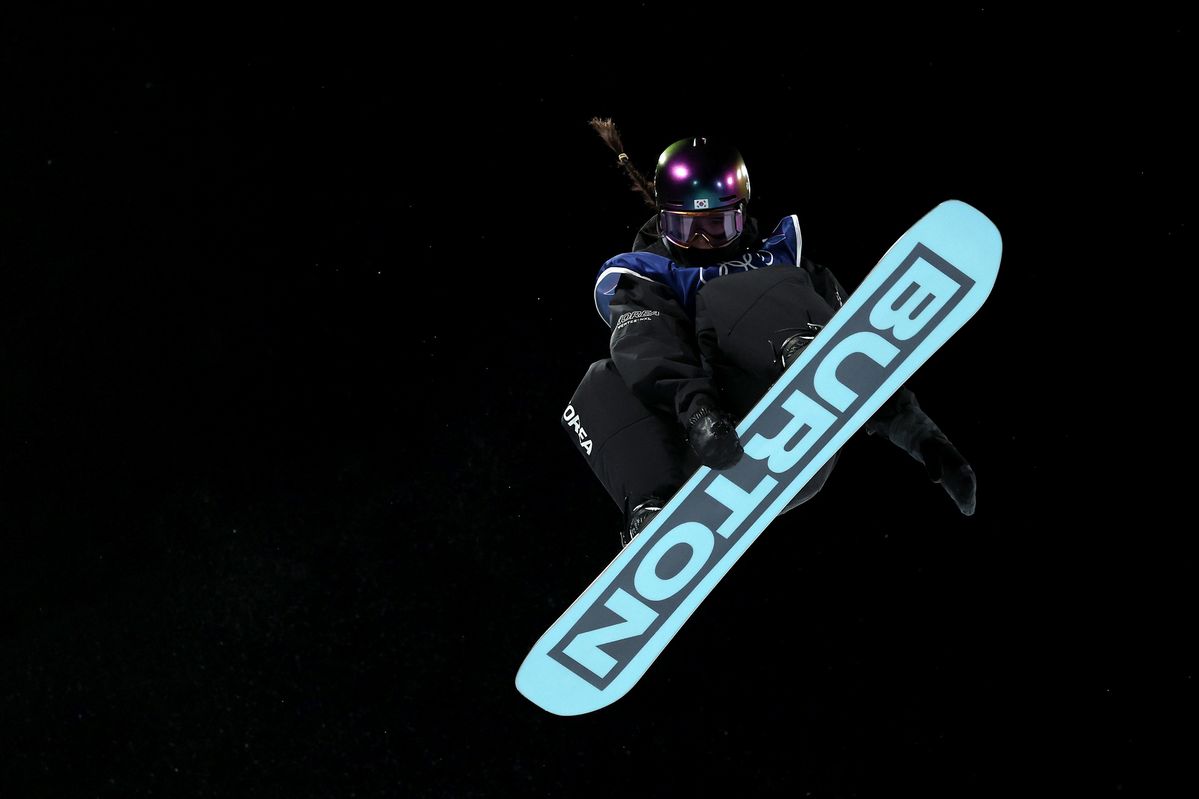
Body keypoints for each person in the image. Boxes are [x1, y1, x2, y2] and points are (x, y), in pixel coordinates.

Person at [565, 119, 976, 548]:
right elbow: (649, 348)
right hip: (709, 438)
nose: (702, 241)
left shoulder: (779, 260)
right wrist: (699, 413)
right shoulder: (645, 277)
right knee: (598, 384)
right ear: (663, 220)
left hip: (784, 414)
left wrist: (922, 437)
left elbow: (862, 347)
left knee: (727, 288)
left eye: (718, 226)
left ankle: (803, 356)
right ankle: (653, 510)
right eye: (685, 229)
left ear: (742, 214)